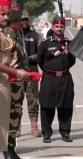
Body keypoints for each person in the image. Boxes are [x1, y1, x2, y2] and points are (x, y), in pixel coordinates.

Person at [37, 15, 75, 143]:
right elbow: (40, 60)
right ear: (53, 27)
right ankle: (47, 133)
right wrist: (50, 70)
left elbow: (72, 61)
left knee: (66, 106)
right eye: (57, 26)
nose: (59, 28)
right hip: (49, 78)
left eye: (61, 26)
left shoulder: (68, 43)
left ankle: (65, 133)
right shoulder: (45, 43)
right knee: (47, 106)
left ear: (64, 27)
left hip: (65, 78)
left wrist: (68, 53)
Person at [0, 0, 28, 158]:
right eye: (3, 14)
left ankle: (9, 149)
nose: (6, 18)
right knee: (9, 117)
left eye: (7, 14)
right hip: (9, 81)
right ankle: (8, 150)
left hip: (10, 82)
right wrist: (16, 73)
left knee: (12, 116)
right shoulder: (8, 34)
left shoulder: (8, 34)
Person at [16, 15, 41, 137]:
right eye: (22, 20)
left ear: (29, 21)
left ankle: (34, 125)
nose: (24, 22)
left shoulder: (35, 35)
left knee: (33, 100)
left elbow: (41, 52)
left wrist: (31, 57)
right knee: (17, 101)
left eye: (26, 20)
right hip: (18, 72)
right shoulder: (16, 35)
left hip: (32, 71)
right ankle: (16, 127)